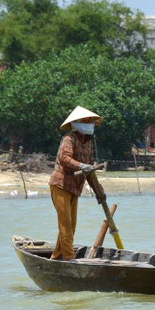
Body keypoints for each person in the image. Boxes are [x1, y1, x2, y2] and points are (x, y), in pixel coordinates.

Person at [49, 106, 105, 260]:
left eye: (91, 121)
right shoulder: (69, 138)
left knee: (71, 226)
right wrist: (80, 165)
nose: (90, 124)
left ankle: (56, 257)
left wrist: (98, 191)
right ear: (77, 123)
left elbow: (89, 171)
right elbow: (64, 158)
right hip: (60, 185)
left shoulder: (88, 143)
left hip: (74, 188)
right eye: (86, 121)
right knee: (66, 225)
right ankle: (69, 259)